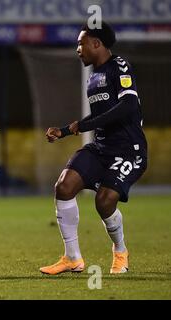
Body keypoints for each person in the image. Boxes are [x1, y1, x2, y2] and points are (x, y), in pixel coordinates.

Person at [41, 22, 147, 275]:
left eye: (81, 43)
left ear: (96, 43)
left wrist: (77, 126)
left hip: (129, 149)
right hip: (101, 147)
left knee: (104, 201)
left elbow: (128, 106)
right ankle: (72, 258)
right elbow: (98, 118)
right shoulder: (93, 76)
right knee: (64, 187)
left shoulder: (119, 66)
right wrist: (67, 130)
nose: (78, 48)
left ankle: (120, 251)